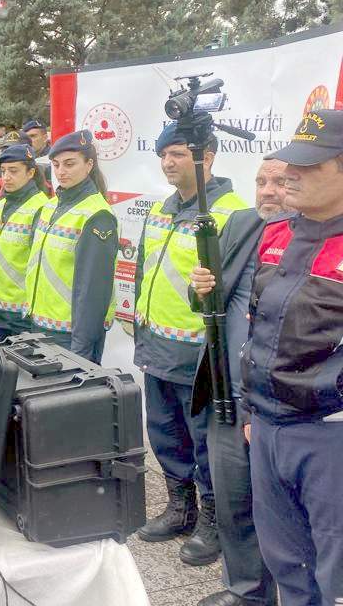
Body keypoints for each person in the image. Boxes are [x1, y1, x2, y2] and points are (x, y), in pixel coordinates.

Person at [192, 111, 343, 606]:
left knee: (335, 572)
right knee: (288, 564)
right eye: (289, 163)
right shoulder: (275, 234)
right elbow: (258, 331)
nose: (291, 174)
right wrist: (257, 411)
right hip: (270, 429)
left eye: (308, 165)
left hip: (328, 435)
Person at [133, 124, 248, 566]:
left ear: (208, 156)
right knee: (165, 434)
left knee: (205, 441)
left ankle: (215, 521)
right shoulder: (163, 208)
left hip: (198, 355)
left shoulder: (232, 212)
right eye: (164, 155)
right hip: (157, 344)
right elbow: (148, 271)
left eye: (178, 153)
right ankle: (181, 508)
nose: (168, 162)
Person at [187, 160, 288, 606]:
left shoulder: (317, 236)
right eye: (261, 182)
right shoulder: (242, 224)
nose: (268, 191)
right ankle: (247, 590)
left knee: (287, 513)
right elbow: (206, 299)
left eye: (280, 182)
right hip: (226, 393)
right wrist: (200, 287)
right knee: (233, 500)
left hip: (281, 404)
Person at [24, 130, 117, 364]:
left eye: (69, 164)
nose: (61, 171)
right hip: (40, 325)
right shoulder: (50, 206)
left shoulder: (97, 214)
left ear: (89, 165)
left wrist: (81, 348)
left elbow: (93, 290)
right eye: (56, 165)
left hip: (70, 336)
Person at [0, 144, 49, 340]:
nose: (6, 177)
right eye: (3, 171)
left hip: (22, 313)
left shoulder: (41, 208)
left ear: (30, 173)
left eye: (13, 171)